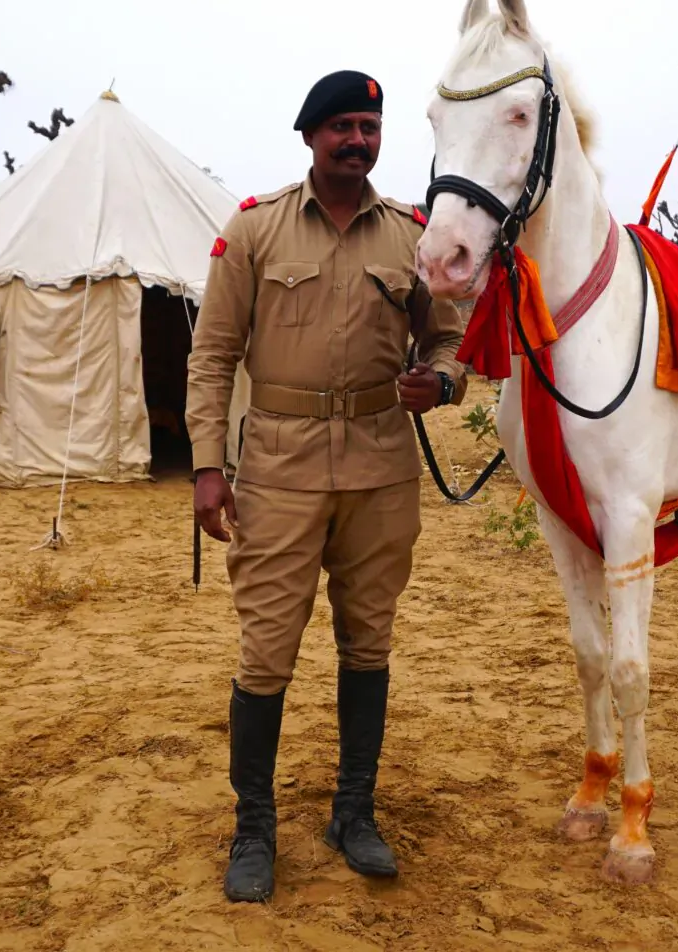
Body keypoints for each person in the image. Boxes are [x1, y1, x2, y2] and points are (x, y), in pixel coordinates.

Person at [185, 70, 468, 903]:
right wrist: (208, 466)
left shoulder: (415, 235)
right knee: (266, 652)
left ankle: (354, 813)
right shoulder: (254, 230)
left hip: (382, 465)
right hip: (277, 466)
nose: (357, 139)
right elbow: (211, 356)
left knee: (368, 644)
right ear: (310, 136)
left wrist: (441, 386)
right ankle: (254, 829)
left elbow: (451, 344)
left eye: (368, 127)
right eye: (341, 126)